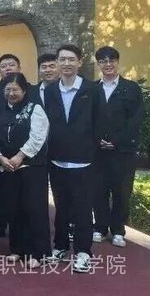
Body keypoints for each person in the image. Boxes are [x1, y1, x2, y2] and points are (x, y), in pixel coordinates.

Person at [43, 44, 99, 273]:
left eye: (71, 59)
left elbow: (100, 121)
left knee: (83, 208)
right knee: (61, 206)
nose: (66, 63)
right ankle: (61, 246)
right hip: (57, 159)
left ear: (80, 62)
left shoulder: (92, 89)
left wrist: (93, 147)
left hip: (84, 160)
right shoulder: (50, 91)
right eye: (62, 59)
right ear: (57, 62)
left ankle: (84, 252)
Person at [0, 72, 50, 269]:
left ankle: (39, 252)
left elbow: (38, 136)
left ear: (24, 91)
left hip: (31, 168)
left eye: (15, 89)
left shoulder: (35, 109)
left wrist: (19, 156)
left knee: (34, 209)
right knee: (13, 209)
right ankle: (17, 248)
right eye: (8, 89)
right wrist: (0, 157)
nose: (11, 93)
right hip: (7, 167)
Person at [92, 46, 145, 248]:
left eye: (111, 60)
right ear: (98, 64)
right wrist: (97, 140)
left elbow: (136, 119)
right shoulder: (92, 89)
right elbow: (88, 118)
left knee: (121, 192)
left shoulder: (131, 88)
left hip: (123, 151)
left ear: (117, 62)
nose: (108, 64)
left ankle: (118, 230)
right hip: (97, 151)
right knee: (98, 190)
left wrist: (117, 140)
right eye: (103, 61)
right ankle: (100, 227)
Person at [0, 54, 23, 241]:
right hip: (0, 147)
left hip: (22, 149)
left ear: (19, 67)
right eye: (4, 66)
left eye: (11, 65)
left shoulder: (28, 88)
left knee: (23, 191)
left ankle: (21, 226)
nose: (8, 68)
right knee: (0, 189)